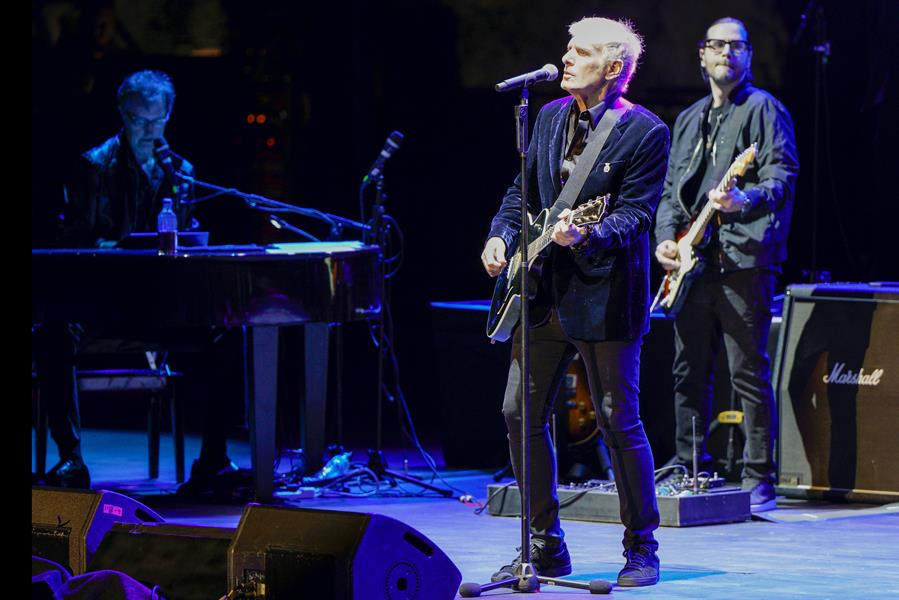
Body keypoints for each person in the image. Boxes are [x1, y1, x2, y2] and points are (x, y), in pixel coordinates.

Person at [481, 17, 669, 588]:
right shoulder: (546, 116)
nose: (566, 58)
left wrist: (587, 234)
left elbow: (637, 215)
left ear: (613, 68)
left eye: (580, 52)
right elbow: (523, 192)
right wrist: (501, 235)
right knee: (519, 413)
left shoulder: (646, 132)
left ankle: (642, 548)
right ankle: (545, 544)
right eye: (567, 48)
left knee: (618, 420)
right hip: (541, 295)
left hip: (605, 298)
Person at [33, 70, 236, 492]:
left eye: (156, 121)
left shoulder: (181, 171)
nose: (148, 131)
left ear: (168, 116)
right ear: (123, 116)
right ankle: (71, 459)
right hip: (104, 302)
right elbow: (76, 243)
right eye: (139, 121)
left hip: (161, 304)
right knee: (53, 331)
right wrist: (118, 247)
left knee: (225, 332)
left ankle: (213, 461)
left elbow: (186, 236)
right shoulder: (95, 165)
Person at [653, 18, 799, 513]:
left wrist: (744, 199)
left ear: (749, 55)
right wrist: (664, 243)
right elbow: (672, 192)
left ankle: (760, 477)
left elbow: (781, 175)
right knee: (686, 371)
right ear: (702, 54)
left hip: (742, 260)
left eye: (737, 47)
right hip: (692, 265)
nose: (727, 54)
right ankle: (688, 464)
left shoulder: (764, 109)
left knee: (747, 372)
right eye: (718, 45)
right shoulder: (690, 118)